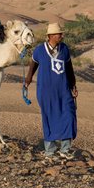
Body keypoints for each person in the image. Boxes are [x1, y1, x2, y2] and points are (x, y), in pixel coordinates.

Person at [23, 22, 78, 160]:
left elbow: (70, 69)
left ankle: (65, 150)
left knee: (69, 116)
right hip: (46, 91)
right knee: (49, 118)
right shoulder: (39, 50)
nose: (62, 36)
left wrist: (73, 87)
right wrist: (27, 82)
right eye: (60, 34)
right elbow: (32, 68)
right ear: (52, 36)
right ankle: (50, 152)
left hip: (64, 90)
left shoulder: (64, 49)